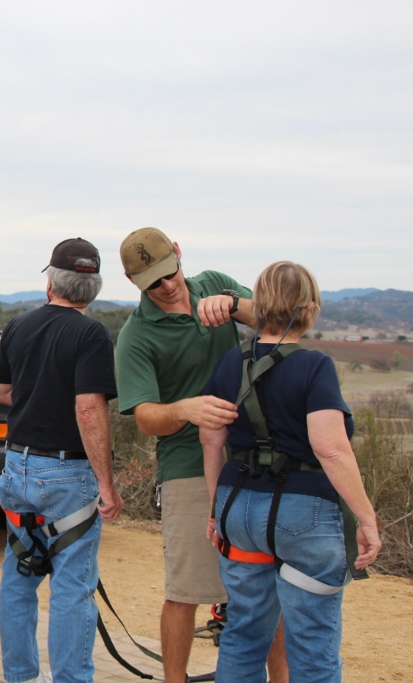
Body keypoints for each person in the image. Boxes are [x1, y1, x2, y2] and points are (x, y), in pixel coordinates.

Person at [114, 227, 288, 683]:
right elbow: (146, 416)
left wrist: (234, 305)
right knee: (186, 590)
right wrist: (184, 409)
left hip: (256, 458)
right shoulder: (135, 336)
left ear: (177, 253)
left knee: (268, 590)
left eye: (168, 272)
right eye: (152, 282)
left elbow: (278, 322)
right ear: (134, 283)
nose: (167, 286)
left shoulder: (215, 284)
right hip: (188, 469)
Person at [201, 262, 380, 683]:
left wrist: (215, 510)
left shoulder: (230, 364)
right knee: (312, 645)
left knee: (243, 633)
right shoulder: (314, 367)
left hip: (239, 510)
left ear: (259, 306)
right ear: (310, 308)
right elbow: (331, 449)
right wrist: (367, 518)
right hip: (306, 517)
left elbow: (211, 442)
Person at [0, 238, 124, 683]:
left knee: (20, 573)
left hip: (16, 467)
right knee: (71, 587)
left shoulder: (19, 325)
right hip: (68, 473)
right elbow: (89, 409)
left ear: (51, 283)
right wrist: (106, 483)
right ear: (94, 287)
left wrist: (32, 395)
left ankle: (21, 676)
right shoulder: (91, 334)